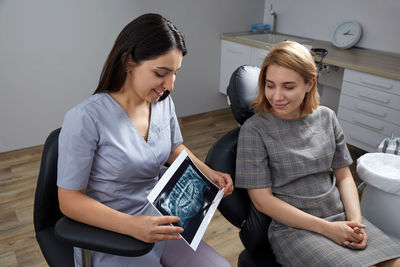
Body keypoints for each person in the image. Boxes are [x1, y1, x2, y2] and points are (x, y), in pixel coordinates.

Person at [57, 13, 233, 267]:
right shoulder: (84, 119)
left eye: (175, 73)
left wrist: (208, 173)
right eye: (161, 73)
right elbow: (69, 200)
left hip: (160, 221)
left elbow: (173, 147)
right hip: (111, 232)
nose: (170, 84)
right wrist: (132, 226)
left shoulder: (162, 102)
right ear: (129, 61)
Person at [235, 41, 400, 266]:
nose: (277, 96)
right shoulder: (255, 130)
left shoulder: (326, 117)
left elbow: (344, 176)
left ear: (309, 84)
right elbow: (262, 201)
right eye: (270, 85)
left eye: (288, 86)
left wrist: (355, 222)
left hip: (340, 216)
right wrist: (329, 230)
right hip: (296, 229)